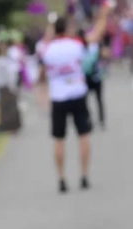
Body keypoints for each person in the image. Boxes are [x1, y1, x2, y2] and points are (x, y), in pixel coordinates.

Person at [39, 3, 110, 193]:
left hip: (58, 98)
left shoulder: (47, 49)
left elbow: (41, 72)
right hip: (78, 94)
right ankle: (84, 175)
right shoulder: (76, 44)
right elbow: (97, 35)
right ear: (68, 29)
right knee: (83, 136)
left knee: (59, 139)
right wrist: (104, 13)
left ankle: (61, 178)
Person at [80, 28, 107, 128]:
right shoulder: (82, 46)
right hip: (85, 78)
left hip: (97, 77)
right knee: (85, 101)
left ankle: (101, 120)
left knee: (99, 99)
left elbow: (106, 54)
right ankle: (88, 120)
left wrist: (102, 50)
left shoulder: (98, 46)